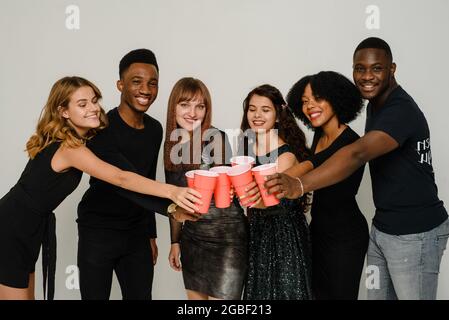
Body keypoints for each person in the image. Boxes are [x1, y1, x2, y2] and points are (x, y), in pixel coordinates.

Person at [264, 37, 449, 300]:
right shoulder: (377, 106)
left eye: (376, 68)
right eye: (359, 69)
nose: (367, 76)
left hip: (415, 233)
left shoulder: (401, 110)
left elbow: (356, 153)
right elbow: (314, 160)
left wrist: (299, 185)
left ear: (392, 69)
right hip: (383, 229)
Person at [0, 76, 200, 300]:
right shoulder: (70, 148)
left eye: (94, 100)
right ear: (64, 112)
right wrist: (173, 191)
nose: (93, 108)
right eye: (82, 104)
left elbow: (125, 179)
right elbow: (121, 178)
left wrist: (171, 208)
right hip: (12, 226)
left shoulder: (83, 140)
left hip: (27, 226)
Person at [76, 49, 201, 300]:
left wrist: (150, 234)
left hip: (136, 234)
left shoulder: (154, 129)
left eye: (152, 83)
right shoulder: (100, 128)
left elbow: (146, 180)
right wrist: (172, 207)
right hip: (98, 231)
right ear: (120, 84)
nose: (145, 89)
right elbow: (124, 180)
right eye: (136, 81)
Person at [285, 71, 368, 299]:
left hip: (345, 237)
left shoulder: (351, 143)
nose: (309, 106)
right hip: (319, 232)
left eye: (317, 98)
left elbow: (314, 165)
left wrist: (279, 180)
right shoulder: (319, 135)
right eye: (304, 101)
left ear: (335, 98)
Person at [165, 77, 248, 300]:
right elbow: (174, 198)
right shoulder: (170, 145)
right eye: (185, 105)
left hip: (227, 237)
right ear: (173, 106)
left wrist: (230, 185)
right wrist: (175, 241)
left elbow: (226, 189)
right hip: (193, 238)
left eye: (200, 106)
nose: (192, 112)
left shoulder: (216, 138)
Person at [238, 84, 312, 300]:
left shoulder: (285, 156)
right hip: (258, 232)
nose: (257, 115)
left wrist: (239, 195)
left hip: (284, 235)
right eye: (252, 109)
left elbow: (269, 201)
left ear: (278, 115)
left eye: (265, 109)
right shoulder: (247, 148)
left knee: (284, 292)